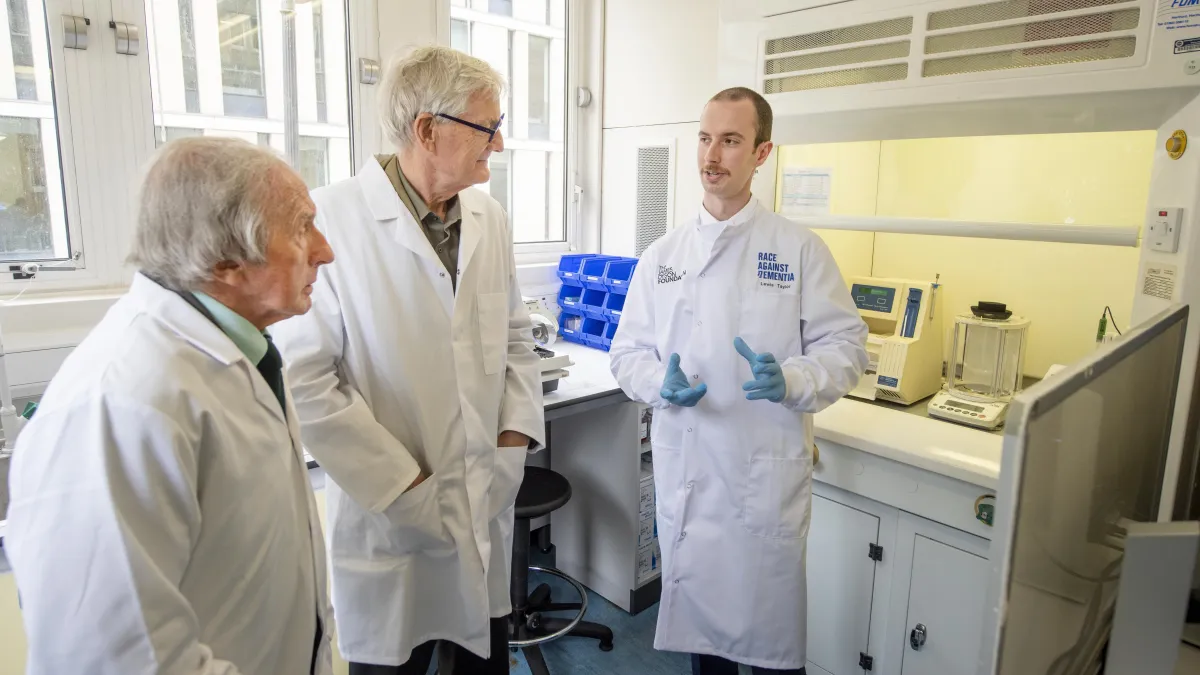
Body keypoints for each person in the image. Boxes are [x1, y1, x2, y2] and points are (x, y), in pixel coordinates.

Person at [5, 137, 336, 674]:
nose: (324, 250)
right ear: (227, 259)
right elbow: (109, 658)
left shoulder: (237, 352)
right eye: (301, 226)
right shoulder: (121, 402)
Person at [271, 46, 545, 675]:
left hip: (483, 504)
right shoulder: (330, 219)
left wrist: (511, 439)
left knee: (485, 658)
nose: (498, 144)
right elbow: (308, 380)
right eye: (487, 127)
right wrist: (405, 486)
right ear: (428, 129)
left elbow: (514, 338)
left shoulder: (489, 217)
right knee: (398, 663)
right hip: (391, 519)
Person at [609, 87, 869, 675]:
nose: (713, 155)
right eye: (705, 138)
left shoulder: (798, 250)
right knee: (707, 654)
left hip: (762, 480)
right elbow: (627, 353)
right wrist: (658, 383)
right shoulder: (662, 256)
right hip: (692, 478)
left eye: (731, 140)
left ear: (761, 153)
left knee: (775, 654)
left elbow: (848, 347)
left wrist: (794, 378)